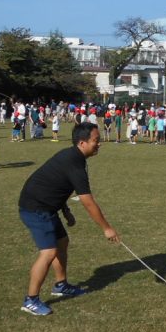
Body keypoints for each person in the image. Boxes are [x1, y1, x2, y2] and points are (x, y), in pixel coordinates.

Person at [17, 122, 120, 316]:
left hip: (47, 206)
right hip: (36, 207)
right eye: (96, 141)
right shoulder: (74, 161)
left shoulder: (75, 158)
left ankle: (60, 285)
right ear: (82, 142)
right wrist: (107, 228)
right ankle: (30, 300)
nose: (99, 144)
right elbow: (87, 201)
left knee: (62, 242)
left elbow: (57, 184)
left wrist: (65, 211)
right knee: (48, 252)